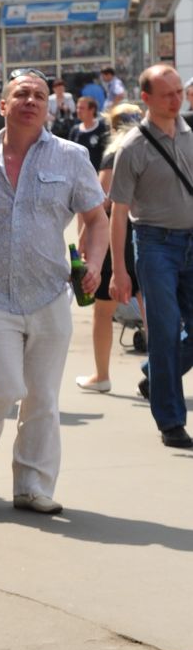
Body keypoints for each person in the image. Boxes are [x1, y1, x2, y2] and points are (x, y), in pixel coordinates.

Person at [0, 72, 107, 514]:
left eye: (39, 95)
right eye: (22, 94)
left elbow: (96, 220)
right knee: (3, 387)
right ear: (3, 106)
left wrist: (92, 266)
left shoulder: (72, 157)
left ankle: (32, 486)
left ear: (49, 107)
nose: (31, 100)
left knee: (42, 397)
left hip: (50, 294)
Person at [106, 64, 193, 449]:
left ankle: (155, 373)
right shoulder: (132, 148)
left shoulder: (192, 133)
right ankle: (171, 422)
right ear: (146, 99)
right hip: (155, 244)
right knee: (164, 330)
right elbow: (118, 213)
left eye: (179, 91)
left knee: (172, 338)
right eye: (168, 94)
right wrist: (120, 271)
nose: (177, 100)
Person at [74, 109, 140, 395]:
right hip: (149, 233)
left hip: (120, 236)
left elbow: (101, 202)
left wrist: (83, 238)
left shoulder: (115, 154)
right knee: (150, 305)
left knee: (103, 310)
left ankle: (101, 375)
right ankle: (162, 374)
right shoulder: (151, 147)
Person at [71, 93, 110, 172]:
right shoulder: (75, 131)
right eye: (77, 108)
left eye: (82, 108)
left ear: (92, 110)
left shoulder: (102, 128)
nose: (78, 111)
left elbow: (107, 155)